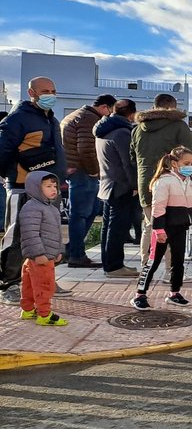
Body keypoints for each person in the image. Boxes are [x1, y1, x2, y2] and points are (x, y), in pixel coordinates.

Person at [0, 77, 69, 306]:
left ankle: (43, 280)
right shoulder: (17, 119)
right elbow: (3, 150)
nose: (51, 94)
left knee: (46, 236)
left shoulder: (51, 118)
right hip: (22, 186)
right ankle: (10, 283)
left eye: (53, 90)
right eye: (45, 91)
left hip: (49, 188)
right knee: (18, 235)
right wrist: (11, 174)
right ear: (32, 92)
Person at [131, 93, 192, 278]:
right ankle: (170, 272)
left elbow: (132, 157)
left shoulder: (138, 129)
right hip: (171, 183)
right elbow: (190, 157)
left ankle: (146, 267)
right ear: (172, 107)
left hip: (146, 183)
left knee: (150, 225)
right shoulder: (178, 127)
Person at [131, 147, 192, 310]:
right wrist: (159, 230)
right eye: (186, 163)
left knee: (178, 262)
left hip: (181, 227)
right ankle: (140, 294)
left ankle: (174, 293)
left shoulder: (191, 182)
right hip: (164, 228)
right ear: (174, 163)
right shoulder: (163, 181)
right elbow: (158, 208)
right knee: (153, 261)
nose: (189, 166)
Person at [60, 94, 115, 267]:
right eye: (111, 110)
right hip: (82, 171)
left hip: (74, 168)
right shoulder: (89, 119)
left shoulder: (78, 115)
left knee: (89, 211)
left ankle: (71, 250)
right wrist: (94, 171)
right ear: (105, 107)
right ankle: (76, 254)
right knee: (81, 213)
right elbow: (86, 148)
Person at [94, 99, 140, 277]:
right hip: (120, 186)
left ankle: (110, 264)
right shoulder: (121, 133)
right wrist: (135, 185)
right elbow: (128, 163)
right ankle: (114, 266)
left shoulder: (103, 130)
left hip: (108, 184)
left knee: (108, 227)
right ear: (131, 114)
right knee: (117, 229)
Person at [17, 170, 68, 325]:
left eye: (55, 186)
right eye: (48, 186)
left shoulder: (50, 208)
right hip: (41, 256)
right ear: (35, 188)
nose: (53, 189)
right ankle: (44, 314)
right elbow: (30, 233)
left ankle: (27, 310)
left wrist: (59, 250)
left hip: (45, 254)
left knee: (29, 283)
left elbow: (56, 232)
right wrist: (38, 253)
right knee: (44, 285)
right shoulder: (32, 208)